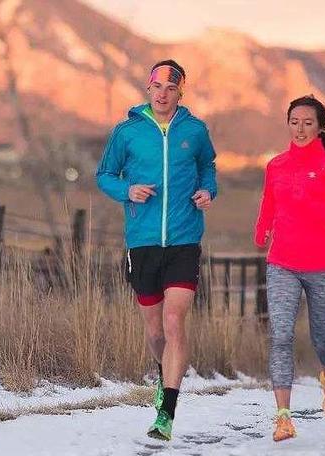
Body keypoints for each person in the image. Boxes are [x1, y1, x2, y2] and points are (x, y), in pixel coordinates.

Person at [96, 59, 218, 441]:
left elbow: (208, 168)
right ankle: (161, 371)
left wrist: (207, 191)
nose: (163, 93)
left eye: (171, 87)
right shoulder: (127, 132)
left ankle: (167, 410)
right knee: (154, 331)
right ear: (148, 89)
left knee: (173, 320)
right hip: (143, 241)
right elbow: (104, 175)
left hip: (184, 239)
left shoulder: (195, 130)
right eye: (157, 86)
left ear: (181, 91)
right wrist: (126, 191)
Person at [253, 95, 325, 442]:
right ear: (287, 123)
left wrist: (318, 209)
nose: (300, 129)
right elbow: (269, 203)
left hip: (324, 267)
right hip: (282, 262)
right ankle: (283, 417)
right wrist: (262, 228)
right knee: (280, 336)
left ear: (320, 127)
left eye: (308, 123)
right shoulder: (276, 165)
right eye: (294, 121)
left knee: (321, 339)